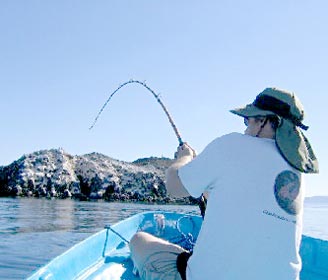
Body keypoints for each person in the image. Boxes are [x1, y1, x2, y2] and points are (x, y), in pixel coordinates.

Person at [129, 87, 319, 280]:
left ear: (263, 121)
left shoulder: (232, 144)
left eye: (248, 120)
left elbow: (173, 186)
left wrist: (184, 158)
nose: (245, 128)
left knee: (139, 240)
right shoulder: (296, 172)